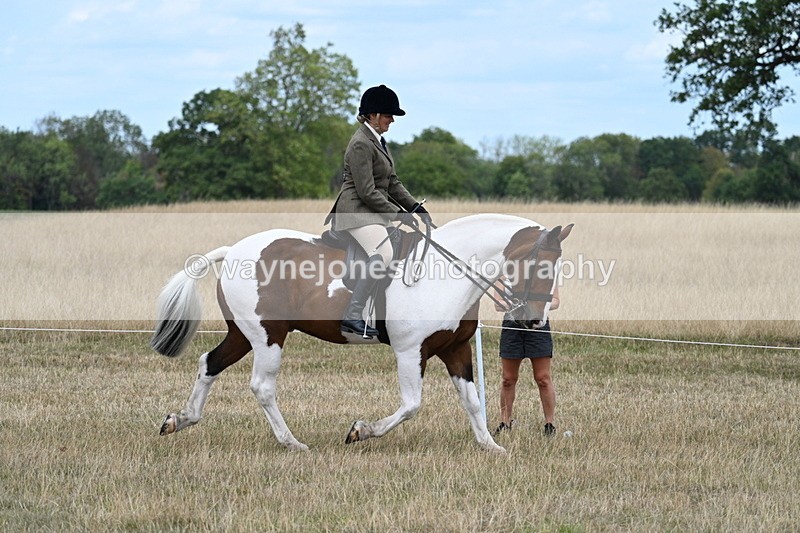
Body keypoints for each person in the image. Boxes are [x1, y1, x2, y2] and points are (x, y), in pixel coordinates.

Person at [326, 84, 431, 339]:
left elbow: (392, 182)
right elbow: (366, 191)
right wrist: (398, 215)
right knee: (383, 252)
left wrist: (415, 207)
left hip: (371, 210)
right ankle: (353, 314)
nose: (392, 120)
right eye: (387, 115)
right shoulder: (361, 143)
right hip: (356, 211)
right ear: (372, 115)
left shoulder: (378, 141)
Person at [493, 278, 560, 437]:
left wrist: (536, 306)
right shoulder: (503, 270)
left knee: (543, 378)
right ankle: (505, 422)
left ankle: (549, 425)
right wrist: (517, 305)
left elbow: (556, 301)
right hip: (512, 326)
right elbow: (497, 304)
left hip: (538, 325)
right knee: (508, 379)